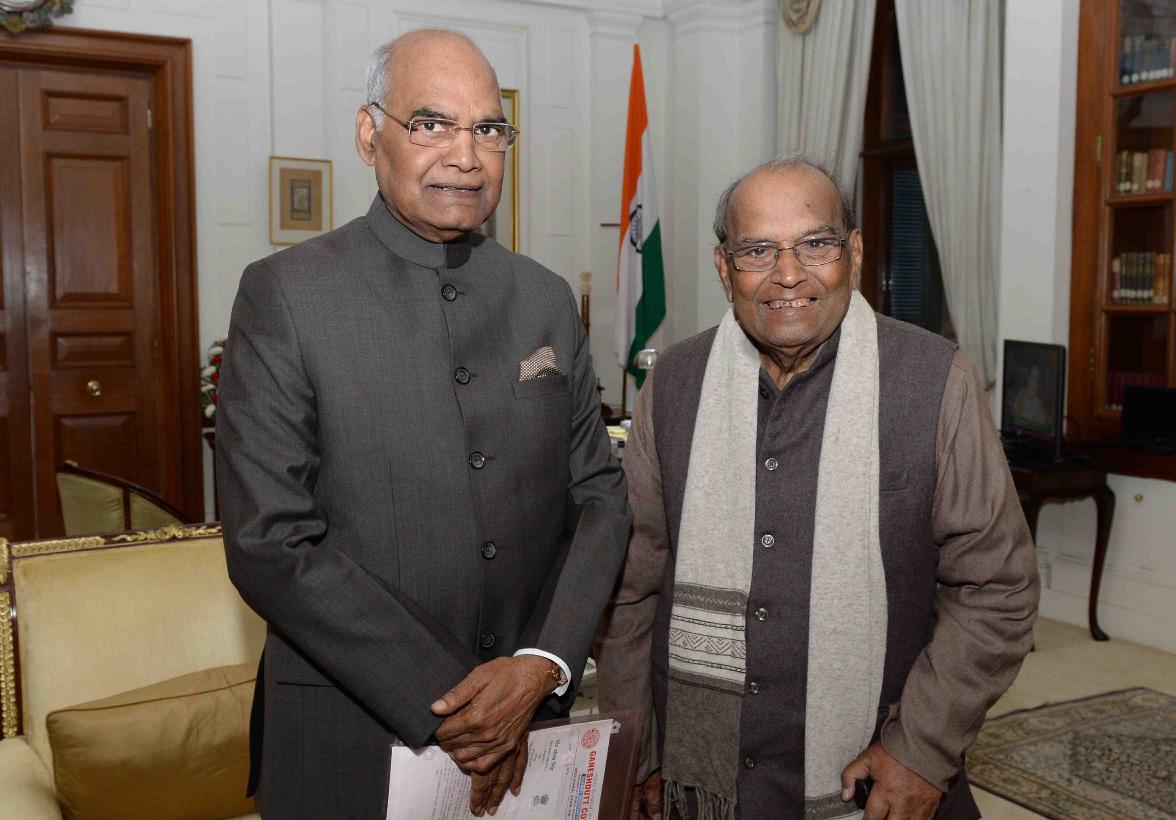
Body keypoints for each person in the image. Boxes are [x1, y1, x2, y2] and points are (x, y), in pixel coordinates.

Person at [217, 29, 630, 819]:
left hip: (531, 729)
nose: (465, 157)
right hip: (347, 738)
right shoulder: (286, 295)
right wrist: (460, 701)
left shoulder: (544, 299)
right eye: (432, 124)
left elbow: (600, 498)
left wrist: (539, 664)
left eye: (488, 129)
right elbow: (270, 541)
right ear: (369, 134)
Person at [594, 156, 1039, 820]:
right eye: (757, 250)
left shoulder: (934, 381)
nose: (788, 274)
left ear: (853, 253)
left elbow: (998, 587)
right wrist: (637, 747)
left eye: (815, 244)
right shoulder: (674, 385)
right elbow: (630, 588)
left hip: (879, 771)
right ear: (724, 269)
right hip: (700, 777)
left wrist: (921, 748)